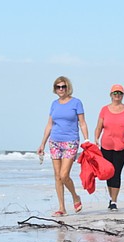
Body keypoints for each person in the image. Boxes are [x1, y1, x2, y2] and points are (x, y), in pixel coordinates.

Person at [37, 76, 90, 217]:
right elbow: (49, 124)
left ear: (68, 87)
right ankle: (62, 208)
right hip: (54, 141)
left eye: (63, 87)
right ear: (55, 89)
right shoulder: (54, 104)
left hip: (71, 142)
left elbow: (82, 123)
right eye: (58, 87)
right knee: (57, 176)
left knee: (63, 175)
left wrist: (87, 140)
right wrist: (42, 143)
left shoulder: (76, 103)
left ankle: (75, 196)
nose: (61, 89)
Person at [94, 84, 124, 211]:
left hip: (122, 147)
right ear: (111, 95)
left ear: (123, 95)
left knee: (116, 172)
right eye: (115, 93)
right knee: (109, 173)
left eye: (120, 93)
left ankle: (114, 201)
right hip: (106, 146)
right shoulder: (104, 110)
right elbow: (99, 127)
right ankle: (111, 198)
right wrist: (96, 139)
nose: (117, 95)